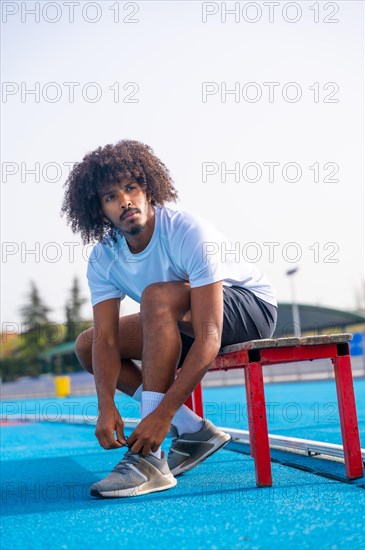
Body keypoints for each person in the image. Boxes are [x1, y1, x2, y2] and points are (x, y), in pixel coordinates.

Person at [61, 140, 277, 498]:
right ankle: (193, 430)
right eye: (111, 197)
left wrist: (162, 414)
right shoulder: (103, 259)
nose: (125, 201)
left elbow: (210, 334)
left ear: (149, 190)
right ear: (100, 211)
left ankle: (149, 459)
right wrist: (105, 405)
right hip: (177, 317)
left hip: (248, 307)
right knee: (89, 344)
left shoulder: (188, 232)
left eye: (131, 188)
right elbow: (108, 340)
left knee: (156, 298)